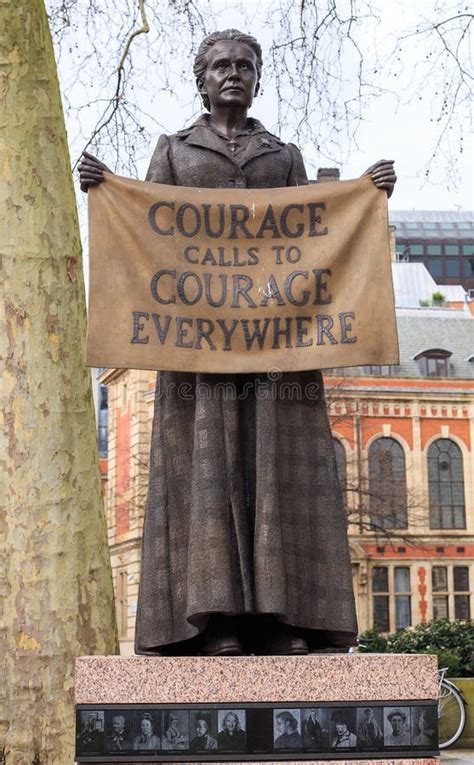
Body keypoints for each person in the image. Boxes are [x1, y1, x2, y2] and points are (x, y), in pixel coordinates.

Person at [79, 28, 396, 657]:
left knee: (277, 472)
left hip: (278, 354)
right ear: (201, 78)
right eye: (221, 65)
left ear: (257, 77)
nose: (233, 74)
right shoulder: (173, 150)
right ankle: (212, 619)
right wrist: (106, 187)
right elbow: (146, 235)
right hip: (198, 355)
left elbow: (316, 235)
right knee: (207, 472)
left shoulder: (283, 155)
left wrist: (365, 194)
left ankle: (282, 619)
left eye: (244, 66)